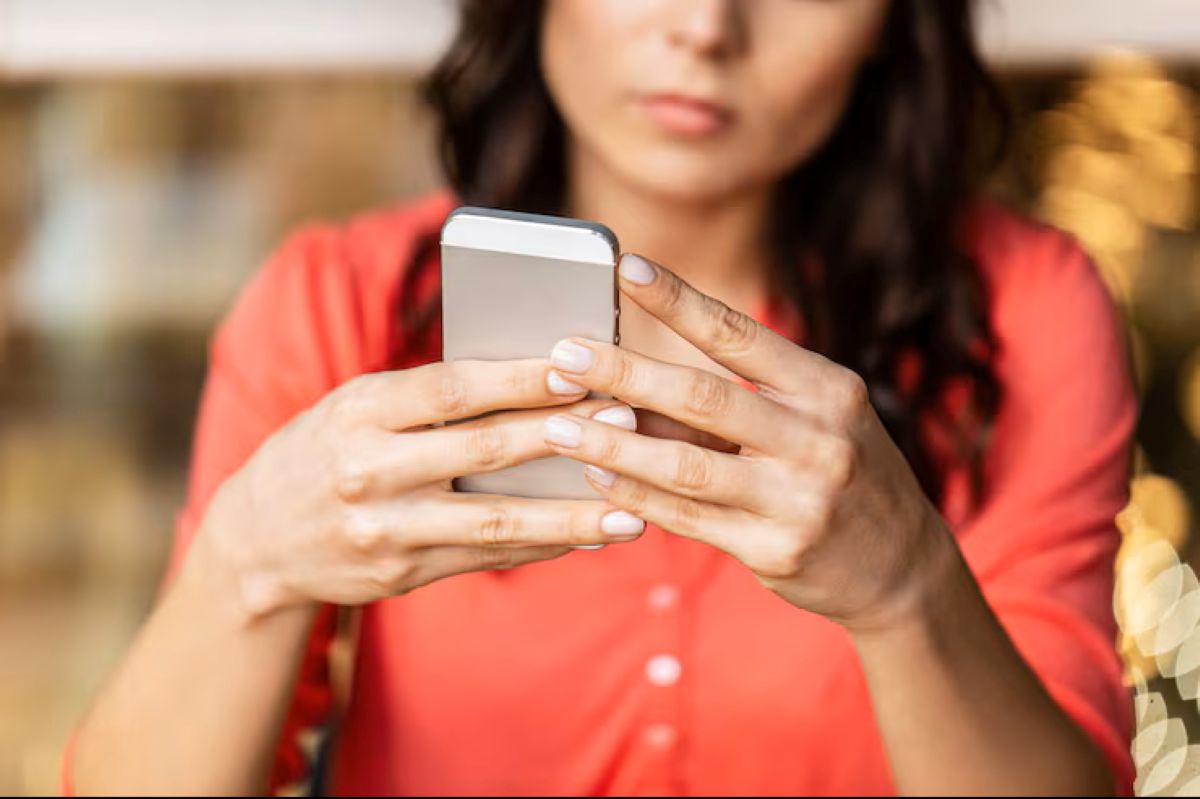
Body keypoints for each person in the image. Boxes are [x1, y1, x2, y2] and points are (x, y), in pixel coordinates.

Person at [66, 0, 1136, 794]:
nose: (704, 27)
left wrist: (910, 591)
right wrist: (245, 568)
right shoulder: (335, 307)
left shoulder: (1025, 312)